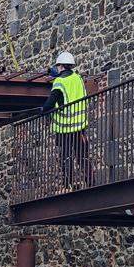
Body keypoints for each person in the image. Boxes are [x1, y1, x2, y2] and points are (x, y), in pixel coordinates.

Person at [42, 51, 91, 188]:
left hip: (64, 127)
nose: (56, 68)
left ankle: (68, 183)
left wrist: (43, 110)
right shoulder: (78, 79)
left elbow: (51, 101)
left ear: (62, 66)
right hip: (80, 126)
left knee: (66, 157)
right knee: (83, 156)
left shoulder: (59, 82)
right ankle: (91, 181)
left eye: (57, 66)